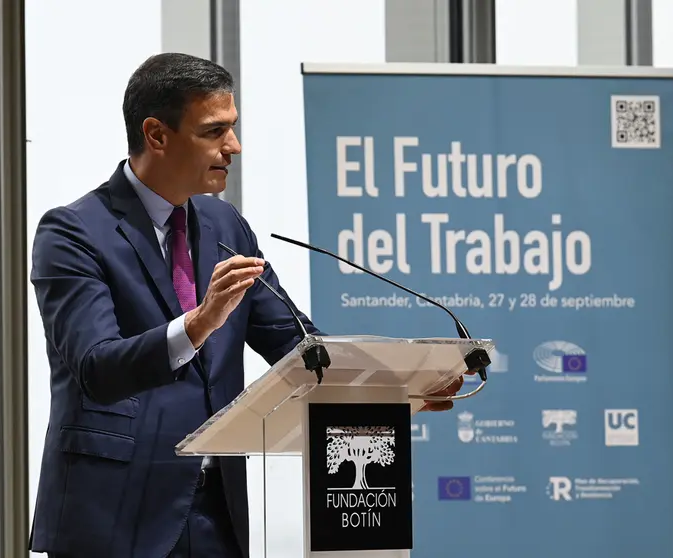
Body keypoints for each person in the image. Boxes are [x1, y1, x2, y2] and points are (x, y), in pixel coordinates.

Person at [27, 53, 467, 558]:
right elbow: (95, 368)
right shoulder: (72, 232)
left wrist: (396, 390)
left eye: (232, 129)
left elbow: (299, 347)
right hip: (114, 515)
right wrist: (197, 325)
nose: (233, 147)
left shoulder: (224, 226)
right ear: (157, 135)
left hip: (218, 513)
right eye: (214, 132)